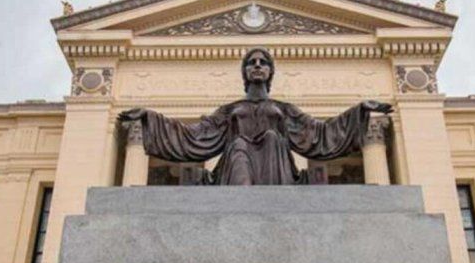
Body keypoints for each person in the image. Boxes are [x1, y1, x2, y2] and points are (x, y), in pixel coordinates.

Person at [118, 47, 392, 185]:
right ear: (245, 72)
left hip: (276, 169)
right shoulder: (229, 111)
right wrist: (148, 119)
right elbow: (194, 136)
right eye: (252, 63)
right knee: (238, 145)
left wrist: (360, 112)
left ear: (270, 72)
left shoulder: (284, 110)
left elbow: (320, 134)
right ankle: (242, 203)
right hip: (236, 167)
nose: (257, 66)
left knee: (273, 138)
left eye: (263, 63)